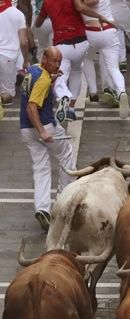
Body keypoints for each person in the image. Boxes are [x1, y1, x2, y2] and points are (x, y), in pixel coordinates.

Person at [20, 46, 74, 231]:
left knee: (41, 167)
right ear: (44, 59)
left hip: (25, 129)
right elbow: (31, 107)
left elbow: (35, 88)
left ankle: (42, 208)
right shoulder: (43, 79)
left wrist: (52, 80)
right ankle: (66, 201)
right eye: (54, 61)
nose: (57, 65)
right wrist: (42, 131)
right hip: (44, 125)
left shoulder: (34, 70)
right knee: (66, 154)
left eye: (59, 61)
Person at [76, 0, 129, 119]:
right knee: (113, 68)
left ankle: (93, 93)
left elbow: (93, 1)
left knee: (87, 59)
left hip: (90, 30)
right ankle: (121, 92)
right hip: (109, 29)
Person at [0, 0, 29, 106]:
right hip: (8, 57)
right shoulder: (18, 14)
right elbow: (23, 42)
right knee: (8, 95)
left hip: (7, 58)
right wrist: (26, 60)